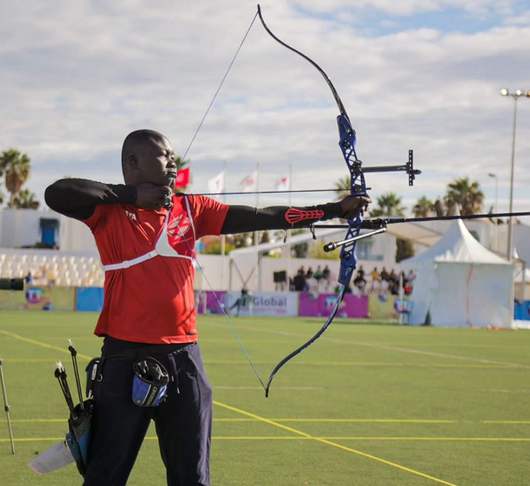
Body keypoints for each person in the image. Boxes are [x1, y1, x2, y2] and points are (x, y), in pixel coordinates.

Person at [44, 129, 370, 486]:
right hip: (124, 358)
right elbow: (56, 193)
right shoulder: (110, 211)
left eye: (173, 155)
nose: (173, 161)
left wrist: (333, 210)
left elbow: (262, 216)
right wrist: (134, 195)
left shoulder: (191, 208)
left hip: (184, 360)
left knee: (192, 477)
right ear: (133, 163)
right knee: (104, 476)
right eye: (164, 155)